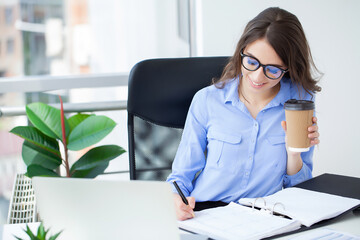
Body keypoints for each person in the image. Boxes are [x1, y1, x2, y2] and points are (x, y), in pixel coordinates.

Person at [166, 7, 322, 220]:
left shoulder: (300, 101)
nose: (258, 77)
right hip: (208, 215)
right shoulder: (207, 101)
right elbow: (179, 178)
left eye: (273, 70)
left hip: (267, 219)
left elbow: (301, 191)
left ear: (288, 68)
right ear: (242, 51)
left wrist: (294, 153)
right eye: (251, 62)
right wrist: (175, 200)